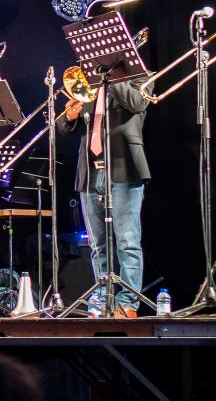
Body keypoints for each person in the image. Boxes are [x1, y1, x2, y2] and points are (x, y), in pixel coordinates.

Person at [56, 75, 150, 317]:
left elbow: (138, 103)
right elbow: (64, 127)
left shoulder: (140, 76)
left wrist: (113, 78)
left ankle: (128, 302)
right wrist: (70, 116)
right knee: (98, 244)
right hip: (90, 172)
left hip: (124, 167)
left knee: (127, 241)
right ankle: (104, 297)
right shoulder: (90, 82)